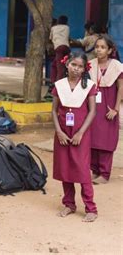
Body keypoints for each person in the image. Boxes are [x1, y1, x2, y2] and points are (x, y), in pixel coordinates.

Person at [51, 51, 98, 222]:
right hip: (63, 133)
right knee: (65, 167)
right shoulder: (59, 85)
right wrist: (58, 131)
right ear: (66, 64)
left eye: (80, 66)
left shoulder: (89, 86)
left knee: (82, 168)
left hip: (81, 133)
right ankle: (69, 203)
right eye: (73, 65)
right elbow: (54, 111)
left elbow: (92, 111)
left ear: (85, 68)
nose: (76, 69)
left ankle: (90, 207)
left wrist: (81, 132)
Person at [88, 35, 123, 184]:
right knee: (92, 139)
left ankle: (104, 173)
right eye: (97, 47)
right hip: (93, 106)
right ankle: (94, 171)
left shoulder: (116, 66)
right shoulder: (90, 65)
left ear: (109, 50)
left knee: (106, 140)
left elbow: (121, 87)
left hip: (108, 106)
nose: (99, 50)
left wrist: (115, 109)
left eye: (102, 47)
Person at [50, 15, 71, 83]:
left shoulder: (53, 28)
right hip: (66, 48)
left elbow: (50, 38)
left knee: (59, 68)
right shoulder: (67, 27)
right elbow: (67, 37)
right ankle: (55, 81)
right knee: (63, 65)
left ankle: (58, 84)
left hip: (58, 48)